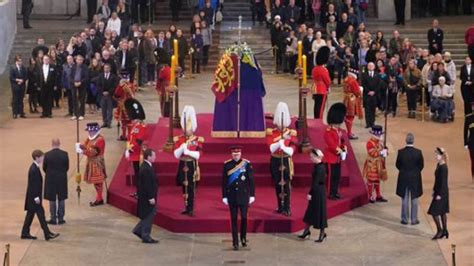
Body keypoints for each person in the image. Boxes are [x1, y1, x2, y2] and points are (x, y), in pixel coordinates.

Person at [222, 146, 255, 250]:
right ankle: (235, 242)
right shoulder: (227, 165)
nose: (236, 155)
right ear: (231, 154)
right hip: (232, 196)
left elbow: (251, 181)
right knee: (234, 219)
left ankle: (243, 238)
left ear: (241, 154)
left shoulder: (246, 164)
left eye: (238, 153)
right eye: (234, 154)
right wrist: (224, 196)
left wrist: (252, 195)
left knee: (244, 218)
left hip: (244, 195)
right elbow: (223, 182)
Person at [21, 150, 60, 241]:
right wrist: (36, 197)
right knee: (41, 216)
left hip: (33, 198)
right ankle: (47, 234)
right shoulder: (34, 169)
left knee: (30, 215)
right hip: (34, 198)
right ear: (37, 158)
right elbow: (33, 185)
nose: (43, 158)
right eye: (42, 157)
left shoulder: (35, 167)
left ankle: (25, 232)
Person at [267, 102, 297, 216]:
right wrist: (280, 140)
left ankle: (287, 206)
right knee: (277, 184)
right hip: (275, 160)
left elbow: (293, 147)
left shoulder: (291, 133)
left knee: (287, 184)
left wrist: (284, 146)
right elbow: (271, 148)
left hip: (285, 160)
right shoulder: (272, 133)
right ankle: (280, 205)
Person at [173, 106, 204, 216]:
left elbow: (198, 154)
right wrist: (182, 147)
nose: (187, 131)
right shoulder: (179, 139)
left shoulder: (197, 139)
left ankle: (191, 207)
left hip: (192, 165)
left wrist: (188, 152)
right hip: (182, 163)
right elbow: (176, 154)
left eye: (189, 129)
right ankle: (186, 206)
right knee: (184, 186)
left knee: (191, 187)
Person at [298, 148, 328, 243]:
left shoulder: (320, 168)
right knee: (311, 211)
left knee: (320, 212)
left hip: (318, 192)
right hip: (318, 190)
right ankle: (306, 231)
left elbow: (315, 182)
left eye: (312, 157)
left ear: (317, 157)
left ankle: (322, 233)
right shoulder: (319, 165)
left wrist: (310, 193)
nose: (311, 158)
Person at [76, 123, 107, 207]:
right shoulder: (89, 139)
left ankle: (99, 198)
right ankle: (99, 197)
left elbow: (93, 152)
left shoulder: (100, 140)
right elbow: (86, 146)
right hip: (91, 162)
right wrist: (80, 146)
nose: (90, 133)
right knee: (96, 182)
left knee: (98, 182)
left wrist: (82, 151)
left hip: (97, 163)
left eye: (91, 131)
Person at [396, 133, 424, 225]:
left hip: (404, 177)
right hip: (415, 178)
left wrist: (404, 171)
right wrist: (415, 172)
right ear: (413, 140)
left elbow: (398, 165)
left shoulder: (401, 152)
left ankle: (404, 219)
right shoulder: (418, 152)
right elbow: (421, 165)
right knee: (414, 199)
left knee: (404, 199)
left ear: (406, 140)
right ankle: (414, 219)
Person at [132, 148, 159, 244]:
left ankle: (138, 230)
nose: (155, 157)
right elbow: (146, 185)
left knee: (148, 214)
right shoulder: (146, 168)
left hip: (147, 197)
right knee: (149, 215)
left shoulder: (147, 166)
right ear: (149, 157)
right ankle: (146, 236)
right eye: (154, 155)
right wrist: (151, 197)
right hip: (147, 197)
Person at [324, 103, 347, 200]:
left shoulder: (338, 130)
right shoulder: (328, 132)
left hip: (337, 159)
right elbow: (332, 145)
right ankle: (330, 193)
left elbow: (341, 141)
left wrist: (344, 148)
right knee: (331, 178)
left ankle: (335, 191)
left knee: (337, 177)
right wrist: (340, 151)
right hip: (330, 158)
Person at [43, 139, 69, 225]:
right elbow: (67, 167)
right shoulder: (65, 154)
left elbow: (44, 168)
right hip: (62, 179)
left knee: (52, 199)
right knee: (61, 198)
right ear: (59, 144)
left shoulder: (47, 155)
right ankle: (61, 218)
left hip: (51, 179)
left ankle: (53, 218)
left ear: (52, 144)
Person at [428, 147, 450, 240]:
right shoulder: (439, 165)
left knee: (434, 212)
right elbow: (437, 181)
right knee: (442, 212)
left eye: (437, 154)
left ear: (442, 156)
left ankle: (440, 230)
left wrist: (439, 194)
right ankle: (445, 230)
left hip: (442, 193)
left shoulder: (444, 167)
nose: (436, 156)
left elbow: (443, 182)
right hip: (439, 192)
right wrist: (434, 190)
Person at [363, 125, 388, 203]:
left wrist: (386, 151)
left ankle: (378, 195)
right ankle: (370, 195)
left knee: (377, 180)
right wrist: (381, 152)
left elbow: (383, 153)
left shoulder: (380, 143)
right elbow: (373, 153)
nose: (380, 136)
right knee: (371, 181)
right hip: (372, 165)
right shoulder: (369, 143)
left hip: (379, 164)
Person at [342, 68, 363, 140]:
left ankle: (349, 132)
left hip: (346, 98)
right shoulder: (353, 80)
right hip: (352, 99)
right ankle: (349, 133)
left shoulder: (346, 79)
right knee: (350, 116)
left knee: (347, 115)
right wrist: (360, 91)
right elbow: (357, 91)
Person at [96, 64, 119, 128]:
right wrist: (102, 92)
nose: (106, 69)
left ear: (110, 69)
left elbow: (115, 86)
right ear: (103, 69)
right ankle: (104, 122)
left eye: (107, 68)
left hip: (110, 95)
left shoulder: (113, 76)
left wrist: (108, 92)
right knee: (103, 109)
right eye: (105, 68)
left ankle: (109, 123)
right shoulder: (100, 76)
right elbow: (98, 85)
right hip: (102, 95)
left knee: (109, 109)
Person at [311, 46, 331, 119]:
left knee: (316, 106)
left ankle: (316, 119)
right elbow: (327, 81)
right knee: (321, 107)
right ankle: (319, 121)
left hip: (315, 88)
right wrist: (328, 87)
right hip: (322, 89)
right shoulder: (323, 69)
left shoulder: (315, 68)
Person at [114, 74, 135, 139]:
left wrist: (120, 86)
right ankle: (125, 135)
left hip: (125, 106)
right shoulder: (130, 85)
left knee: (126, 121)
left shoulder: (125, 86)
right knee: (125, 121)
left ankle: (127, 135)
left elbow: (116, 95)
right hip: (126, 105)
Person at [362, 62, 382, 128]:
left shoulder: (378, 75)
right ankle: (368, 123)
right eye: (369, 66)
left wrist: (374, 92)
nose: (370, 67)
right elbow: (363, 84)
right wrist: (368, 91)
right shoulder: (364, 75)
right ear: (367, 67)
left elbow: (379, 85)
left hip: (375, 95)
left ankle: (372, 122)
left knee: (373, 109)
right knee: (367, 109)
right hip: (367, 94)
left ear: (374, 67)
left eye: (372, 66)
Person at [70, 55, 89, 120]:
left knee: (82, 100)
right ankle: (75, 114)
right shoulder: (73, 67)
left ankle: (81, 114)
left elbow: (86, 77)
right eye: (78, 59)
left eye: (81, 59)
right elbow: (70, 76)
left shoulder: (85, 67)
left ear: (82, 60)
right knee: (74, 100)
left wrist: (80, 82)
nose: (79, 61)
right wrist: (74, 82)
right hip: (74, 85)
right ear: (76, 60)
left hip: (82, 85)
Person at [463, 102, 474, 180]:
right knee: (473, 161)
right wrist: (465, 143)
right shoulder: (469, 118)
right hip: (472, 143)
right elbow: (465, 131)